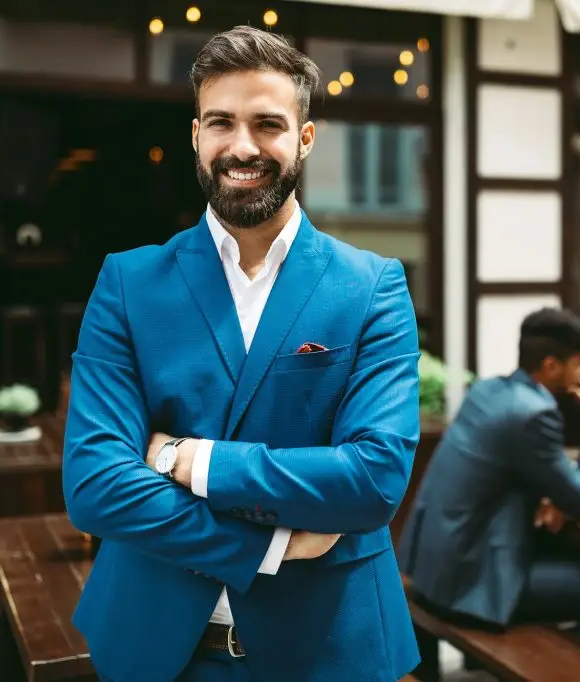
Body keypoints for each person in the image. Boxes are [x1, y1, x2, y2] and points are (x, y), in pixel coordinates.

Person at [63, 26, 420, 682]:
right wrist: (271, 545)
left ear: (304, 139)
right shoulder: (128, 282)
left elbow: (372, 481)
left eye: (268, 124)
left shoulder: (372, 286)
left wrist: (187, 459)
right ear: (196, 135)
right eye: (222, 122)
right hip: (160, 647)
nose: (243, 146)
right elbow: (94, 485)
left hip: (330, 647)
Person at [399, 308, 580, 653]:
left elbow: (503, 469)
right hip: (469, 583)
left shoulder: (487, 391)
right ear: (552, 366)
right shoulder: (534, 412)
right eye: (579, 363)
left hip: (432, 569)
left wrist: (543, 492)